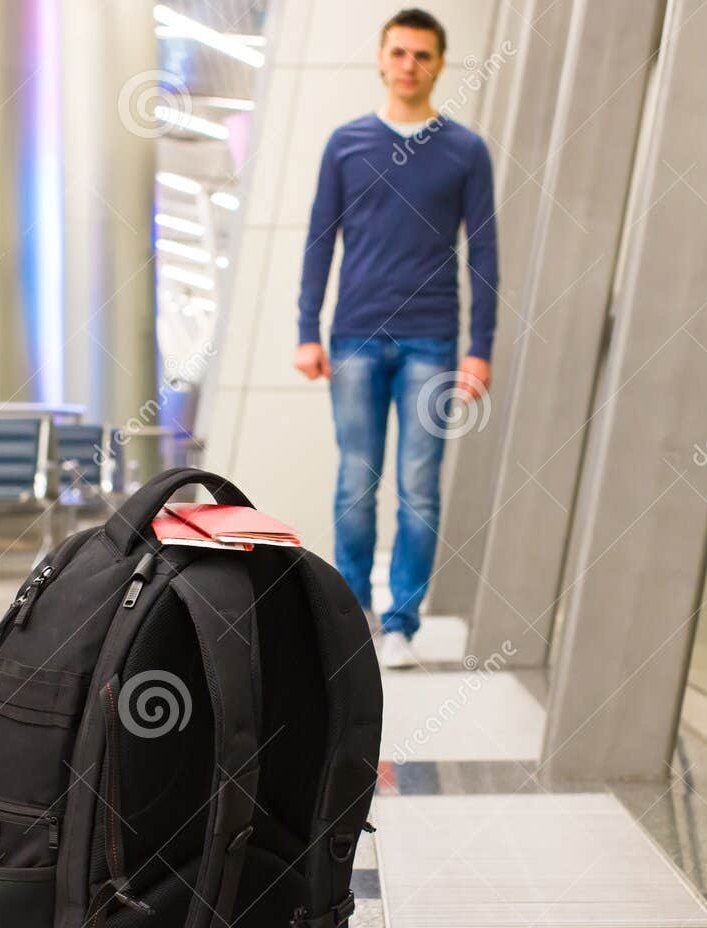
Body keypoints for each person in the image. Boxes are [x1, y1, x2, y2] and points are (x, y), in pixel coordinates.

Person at [294, 6, 499, 669]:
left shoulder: (466, 151)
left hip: (432, 343)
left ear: (439, 64)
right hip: (353, 337)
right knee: (355, 480)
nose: (410, 65)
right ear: (381, 59)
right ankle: (353, 616)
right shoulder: (345, 144)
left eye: (423, 55)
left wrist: (480, 347)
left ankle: (402, 623)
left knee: (419, 485)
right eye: (400, 53)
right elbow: (319, 241)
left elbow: (486, 255)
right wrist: (306, 329)